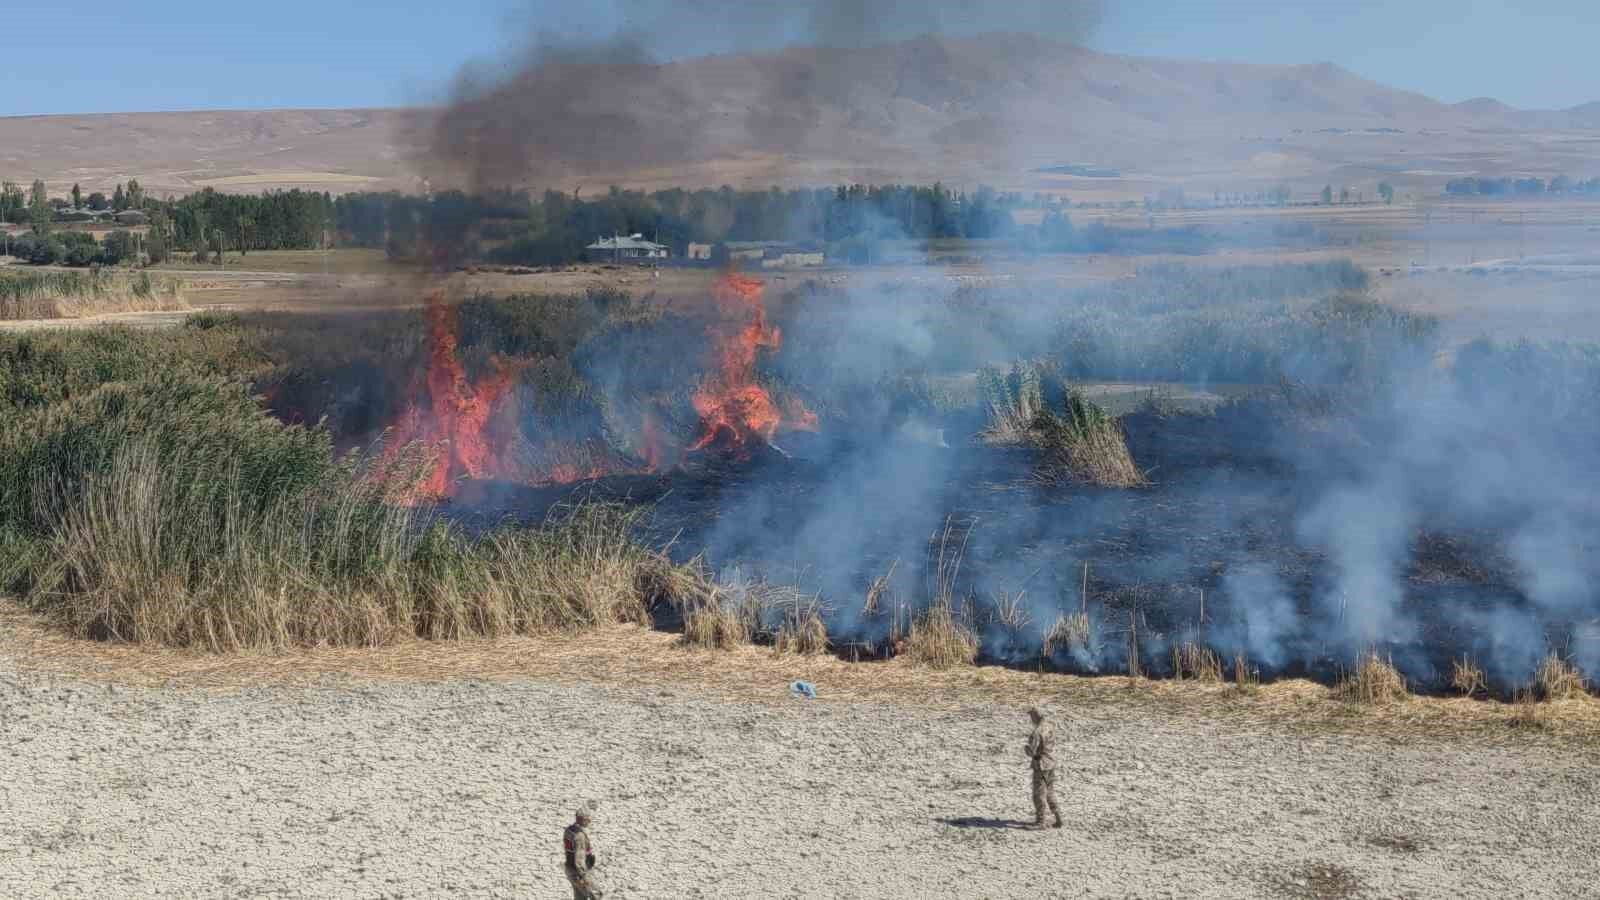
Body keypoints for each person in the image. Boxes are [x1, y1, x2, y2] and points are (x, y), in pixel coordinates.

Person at [1025, 705, 1063, 829]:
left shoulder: (1037, 732)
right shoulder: (1050, 726)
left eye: (1031, 715)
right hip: (1051, 762)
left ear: (1036, 715)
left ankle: (1040, 822)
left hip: (1041, 765)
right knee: (1050, 791)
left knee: (1038, 794)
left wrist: (1026, 749)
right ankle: (1058, 817)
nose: (1031, 718)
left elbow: (1032, 751)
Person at [563, 808, 601, 898]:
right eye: (588, 818)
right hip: (578, 874)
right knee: (597, 895)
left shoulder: (569, 830)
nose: (590, 820)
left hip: (569, 869)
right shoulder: (579, 836)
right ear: (582, 819)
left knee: (580, 897)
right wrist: (585, 877)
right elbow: (579, 860)